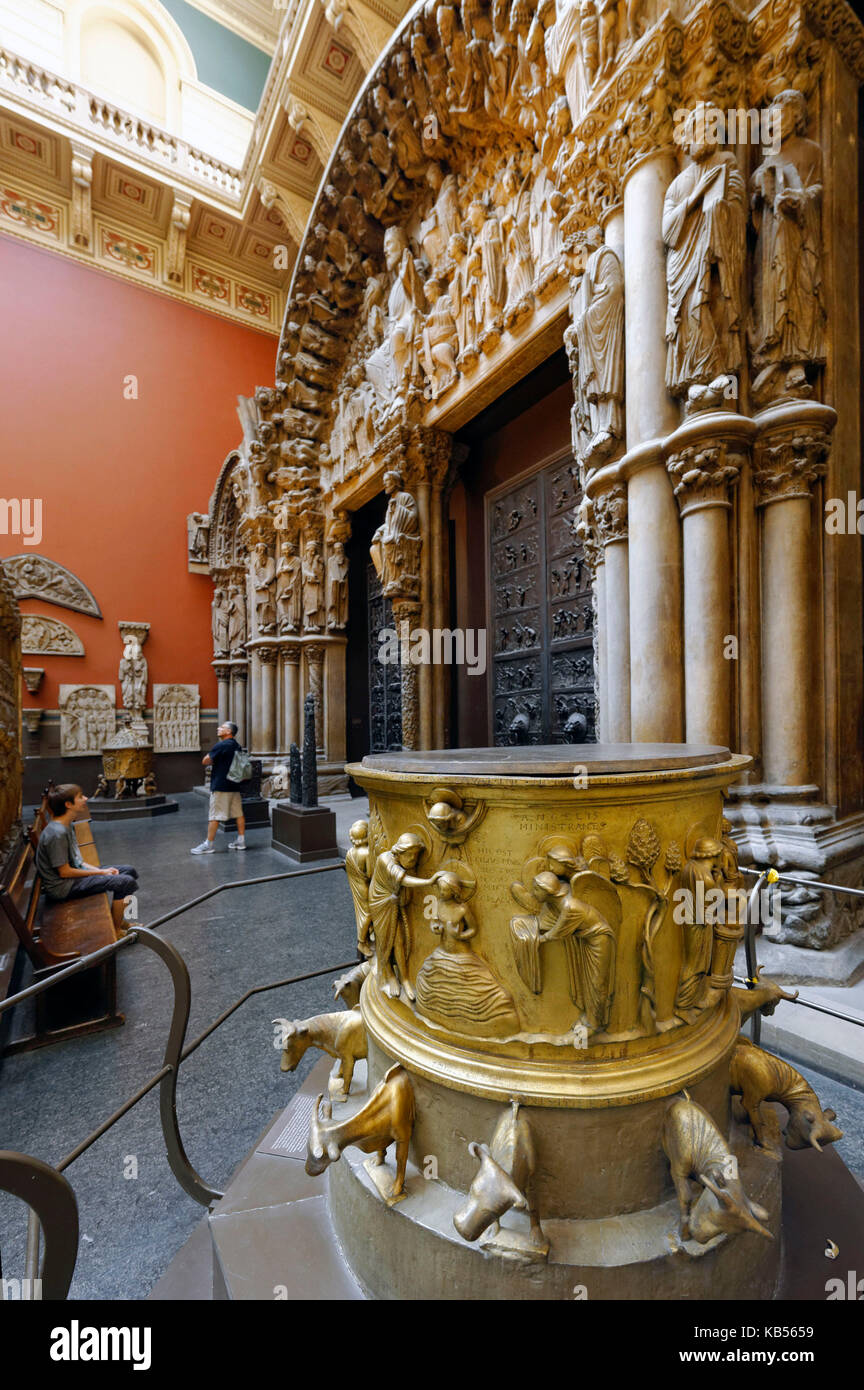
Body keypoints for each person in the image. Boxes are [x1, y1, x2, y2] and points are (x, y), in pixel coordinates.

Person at [35, 784, 139, 937]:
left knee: (129, 871)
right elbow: (64, 872)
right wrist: (102, 873)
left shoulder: (66, 825)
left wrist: (100, 872)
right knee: (125, 882)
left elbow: (78, 861)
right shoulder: (56, 834)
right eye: (80, 797)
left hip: (72, 877)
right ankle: (116, 931)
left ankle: (121, 920)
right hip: (63, 888)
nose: (86, 798)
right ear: (68, 804)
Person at [191, 720, 246, 854]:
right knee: (238, 813)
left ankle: (208, 845)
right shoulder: (236, 745)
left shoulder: (221, 745)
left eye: (222, 727)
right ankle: (241, 840)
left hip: (221, 785)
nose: (218, 728)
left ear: (229, 732)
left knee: (214, 815)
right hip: (234, 784)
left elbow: (205, 760)